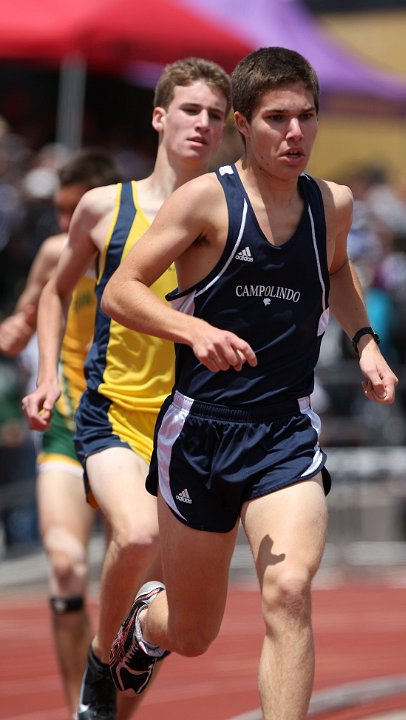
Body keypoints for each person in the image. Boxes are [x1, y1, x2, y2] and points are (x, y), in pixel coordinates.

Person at [102, 47, 399, 720]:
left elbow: (337, 270)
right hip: (201, 432)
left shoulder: (332, 203)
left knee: (289, 590)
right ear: (242, 122)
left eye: (306, 117)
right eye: (276, 119)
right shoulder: (206, 201)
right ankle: (147, 624)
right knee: (194, 634)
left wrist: (365, 343)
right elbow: (121, 291)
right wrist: (192, 333)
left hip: (284, 434)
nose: (295, 134)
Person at [21, 57, 231, 720]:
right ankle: (97, 666)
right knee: (135, 539)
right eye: (191, 110)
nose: (202, 124)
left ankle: (108, 695)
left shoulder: (233, 213)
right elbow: (56, 293)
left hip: (193, 429)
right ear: (158, 115)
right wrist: (49, 372)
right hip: (113, 413)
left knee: (174, 614)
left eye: (216, 116)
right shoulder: (102, 207)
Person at [0, 148, 122, 718]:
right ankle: (81, 705)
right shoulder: (55, 254)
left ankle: (110, 700)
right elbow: (27, 311)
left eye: (75, 211)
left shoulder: (146, 247)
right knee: (67, 565)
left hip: (133, 431)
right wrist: (16, 326)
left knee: (138, 594)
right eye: (58, 211)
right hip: (69, 424)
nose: (64, 223)